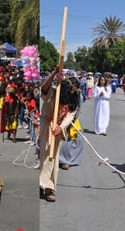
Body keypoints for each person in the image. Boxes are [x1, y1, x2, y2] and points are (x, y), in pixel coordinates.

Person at [38, 66, 81, 202]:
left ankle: (49, 188)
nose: (72, 94)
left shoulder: (73, 103)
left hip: (58, 129)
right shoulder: (54, 93)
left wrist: (61, 127)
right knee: (44, 155)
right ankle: (42, 183)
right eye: (71, 91)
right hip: (46, 126)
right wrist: (54, 73)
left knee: (53, 158)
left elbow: (70, 117)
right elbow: (44, 88)